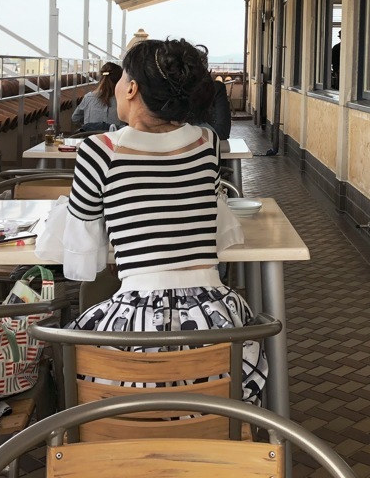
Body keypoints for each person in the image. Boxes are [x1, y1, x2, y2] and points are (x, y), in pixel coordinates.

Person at [64, 38, 266, 403]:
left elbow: (81, 261)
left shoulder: (97, 151)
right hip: (215, 325)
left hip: (136, 328)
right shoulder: (206, 142)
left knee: (72, 355)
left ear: (132, 87)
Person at [70, 61, 124, 132]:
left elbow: (75, 118)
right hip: (114, 140)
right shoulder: (123, 100)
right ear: (119, 80)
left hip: (90, 139)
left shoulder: (88, 97)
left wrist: (90, 125)